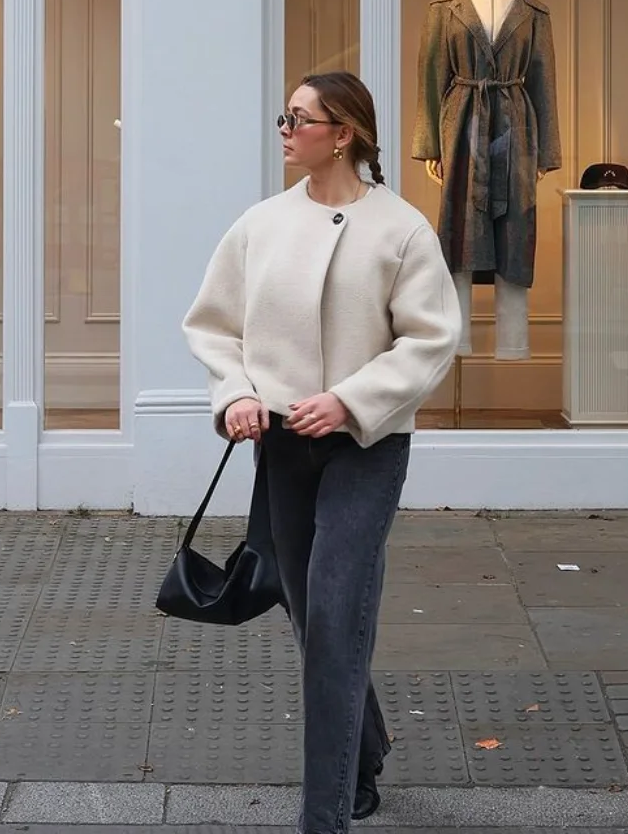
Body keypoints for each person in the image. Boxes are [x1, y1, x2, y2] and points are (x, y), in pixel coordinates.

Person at [182, 71, 461, 834]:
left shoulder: (400, 229)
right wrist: (236, 394)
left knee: (337, 616)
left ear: (343, 134)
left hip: (365, 447)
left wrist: (351, 399)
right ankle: (363, 751)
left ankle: (325, 815)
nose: (284, 129)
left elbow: (433, 339)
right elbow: (213, 326)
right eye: (285, 116)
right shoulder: (260, 224)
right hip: (281, 450)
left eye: (299, 119)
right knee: (313, 618)